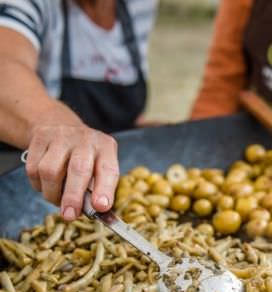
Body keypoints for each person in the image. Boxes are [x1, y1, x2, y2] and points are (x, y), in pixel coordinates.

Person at [0, 0, 158, 221]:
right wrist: (55, 126)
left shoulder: (138, 6)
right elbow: (5, 66)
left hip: (104, 188)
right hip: (24, 183)